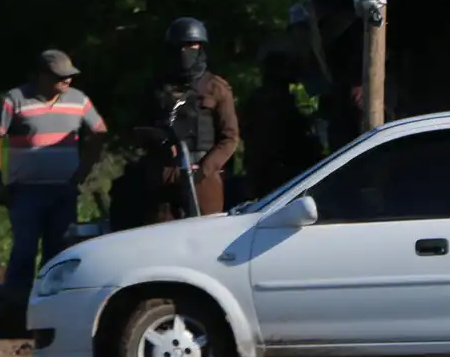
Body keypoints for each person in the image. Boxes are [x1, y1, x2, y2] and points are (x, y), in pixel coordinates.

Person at [0, 50, 107, 296]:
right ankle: (16, 305)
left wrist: (81, 173)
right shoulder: (15, 99)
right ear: (41, 76)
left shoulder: (78, 100)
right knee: (25, 249)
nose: (67, 81)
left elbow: (99, 132)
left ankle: (51, 302)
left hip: (63, 190)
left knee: (59, 252)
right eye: (59, 77)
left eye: (69, 76)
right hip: (26, 191)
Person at [133, 18, 240, 222]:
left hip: (203, 176)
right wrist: (154, 138)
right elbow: (137, 129)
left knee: (207, 235)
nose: (185, 52)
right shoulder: (155, 87)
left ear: (200, 47)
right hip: (163, 175)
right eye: (180, 46)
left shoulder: (216, 87)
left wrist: (206, 169)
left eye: (191, 45)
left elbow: (230, 137)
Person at [240, 47, 321, 200]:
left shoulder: (257, 98)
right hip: (275, 172)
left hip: (263, 170)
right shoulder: (277, 100)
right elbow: (292, 135)